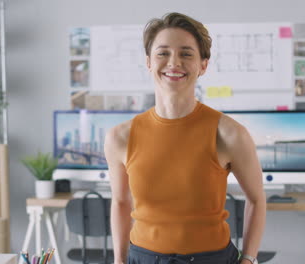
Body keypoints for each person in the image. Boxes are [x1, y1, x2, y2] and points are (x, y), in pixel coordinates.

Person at [104, 13, 266, 264]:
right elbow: (120, 202)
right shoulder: (120, 137)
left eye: (186, 53)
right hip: (143, 258)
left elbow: (256, 199)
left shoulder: (230, 133)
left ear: (203, 65)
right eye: (163, 53)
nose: (174, 62)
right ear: (148, 62)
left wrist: (248, 259)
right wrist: (118, 260)